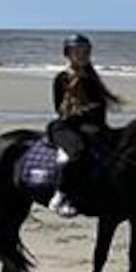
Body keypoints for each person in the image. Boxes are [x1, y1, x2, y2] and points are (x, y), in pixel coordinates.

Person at [47, 33, 122, 216]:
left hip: (95, 127)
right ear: (68, 54)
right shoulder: (62, 78)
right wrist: (82, 122)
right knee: (76, 152)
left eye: (85, 52)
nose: (82, 55)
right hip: (66, 126)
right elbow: (60, 109)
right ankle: (61, 194)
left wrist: (97, 126)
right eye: (77, 51)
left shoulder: (92, 77)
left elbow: (100, 107)